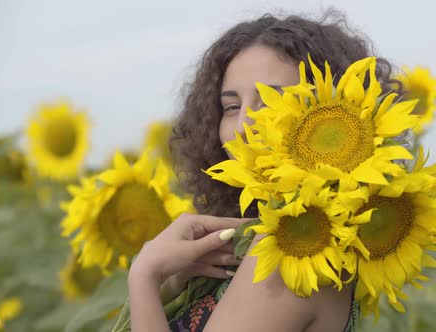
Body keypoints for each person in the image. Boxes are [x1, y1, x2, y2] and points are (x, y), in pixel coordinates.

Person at [127, 9, 403, 332]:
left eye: (271, 101)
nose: (243, 125)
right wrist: (173, 283)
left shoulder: (291, 256)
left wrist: (144, 279)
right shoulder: (284, 241)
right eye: (231, 106)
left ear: (331, 117)